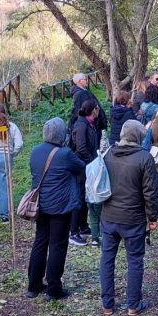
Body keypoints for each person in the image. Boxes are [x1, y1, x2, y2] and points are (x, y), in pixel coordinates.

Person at [99, 120, 158, 316]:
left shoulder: (107, 154)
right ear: (139, 136)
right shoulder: (144, 158)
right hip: (133, 219)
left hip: (109, 216)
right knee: (135, 260)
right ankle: (133, 304)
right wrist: (153, 217)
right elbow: (150, 192)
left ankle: (107, 304)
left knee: (107, 259)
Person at [25, 118, 86, 301]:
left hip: (41, 205)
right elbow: (82, 167)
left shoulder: (35, 151)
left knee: (40, 242)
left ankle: (33, 286)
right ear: (62, 135)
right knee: (57, 245)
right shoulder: (65, 154)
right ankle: (53, 288)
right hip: (60, 207)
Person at [69, 100, 101, 245]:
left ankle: (83, 226)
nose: (99, 110)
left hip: (87, 165)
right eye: (97, 108)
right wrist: (91, 162)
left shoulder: (90, 124)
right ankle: (73, 232)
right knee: (79, 197)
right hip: (82, 167)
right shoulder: (81, 125)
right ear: (92, 110)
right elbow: (81, 148)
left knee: (85, 196)